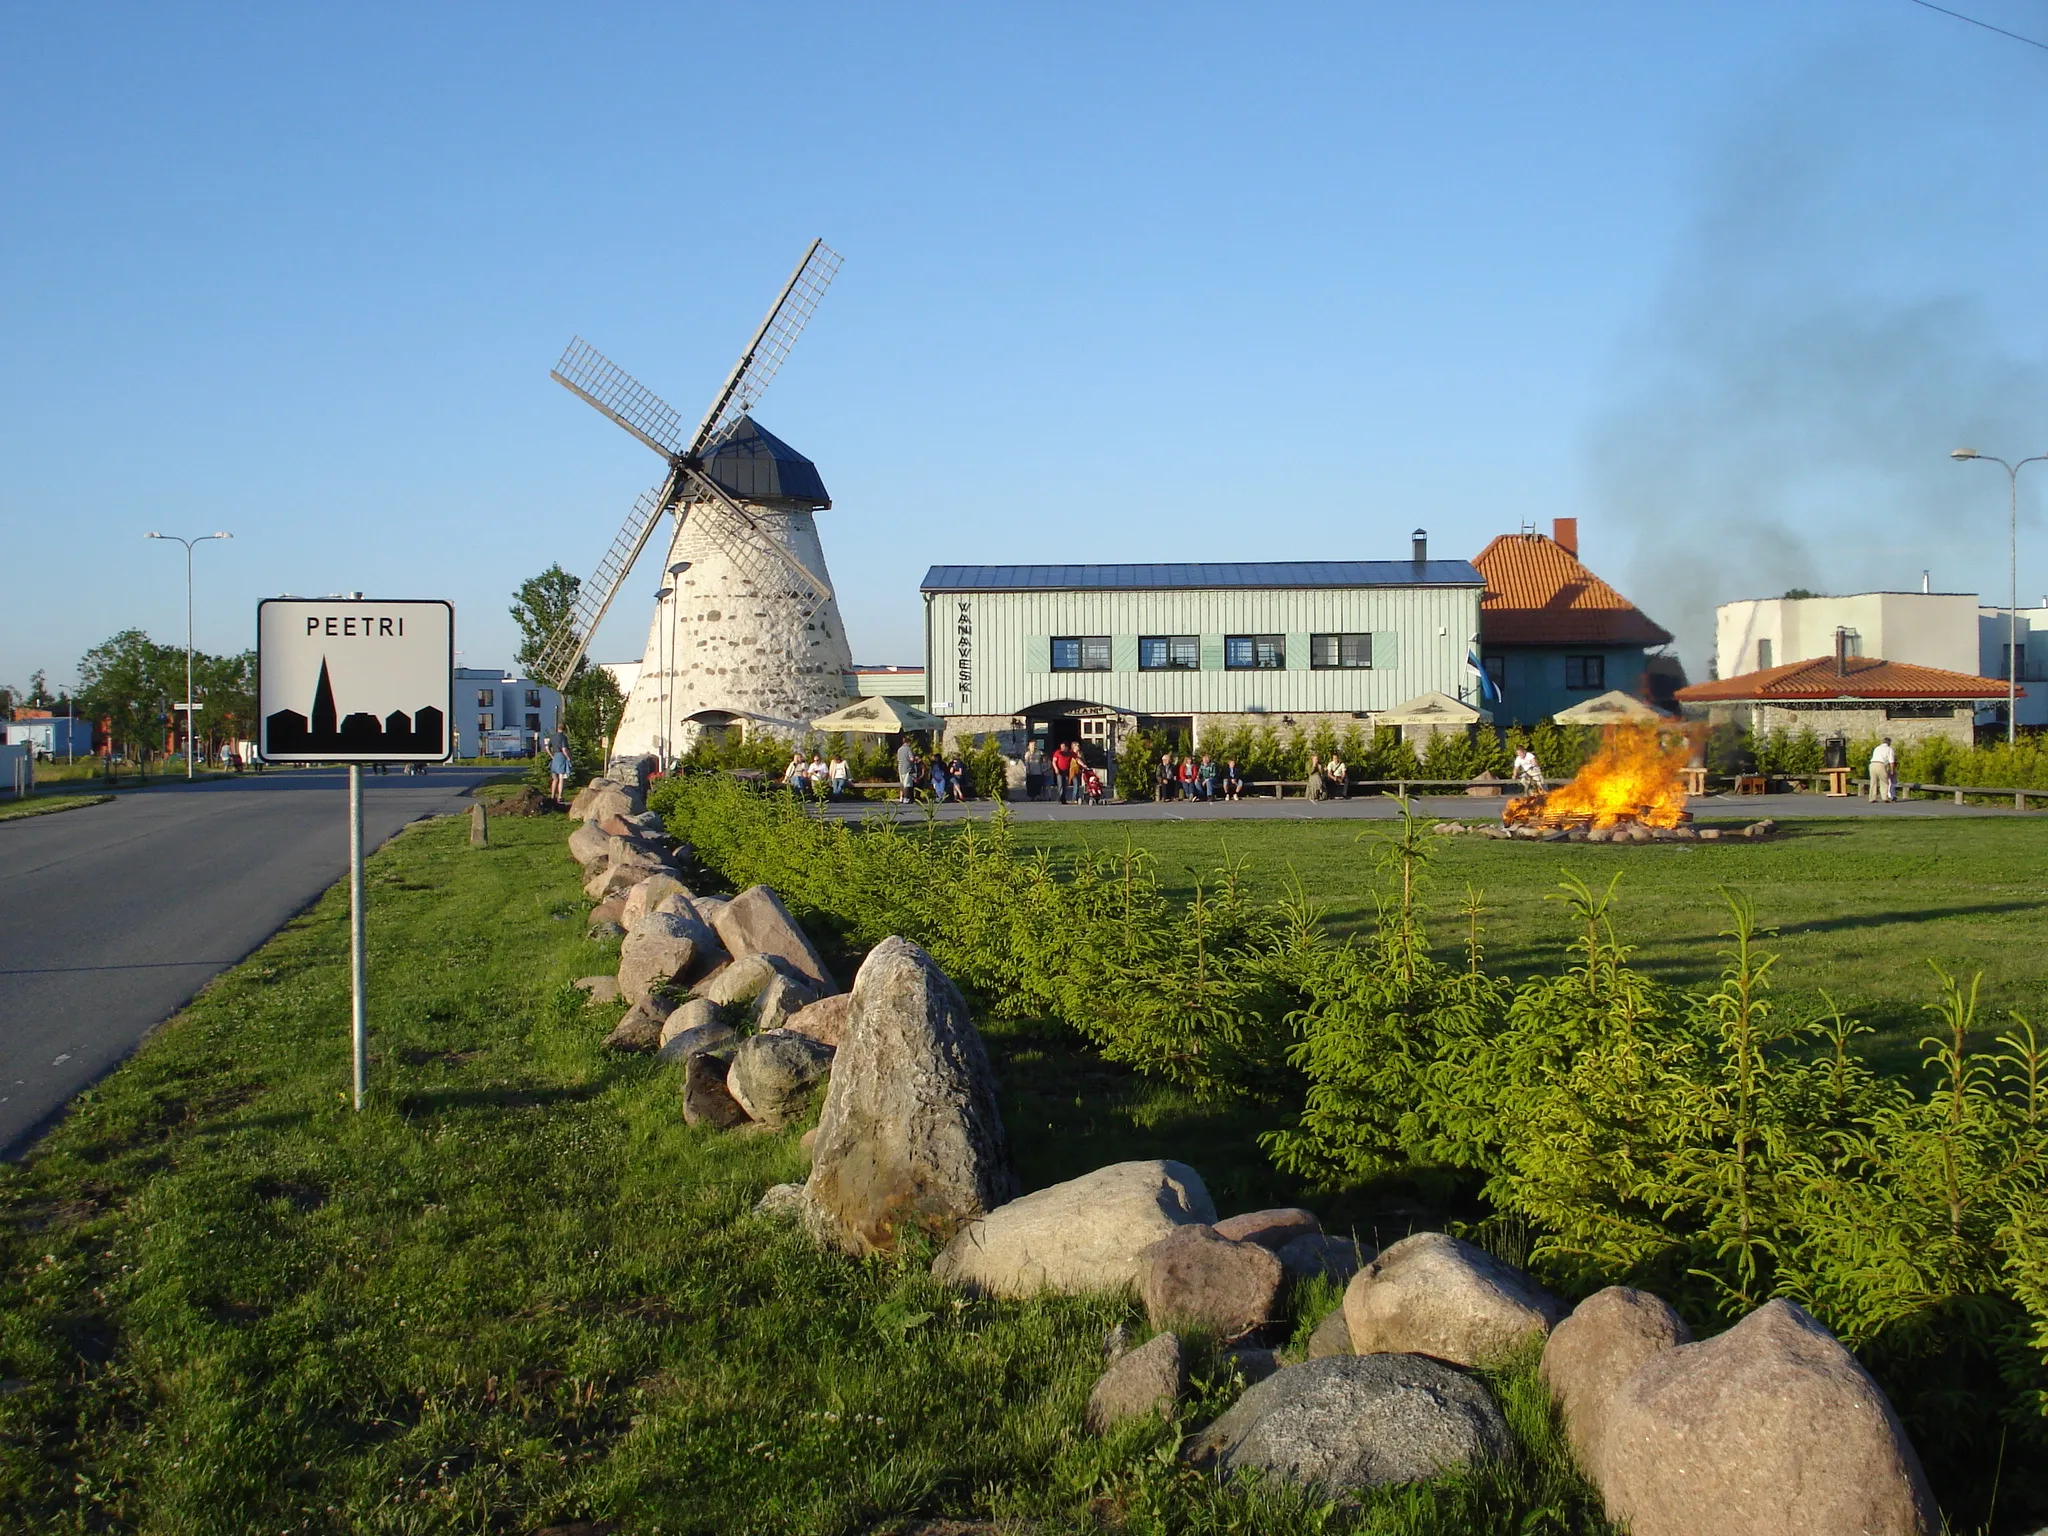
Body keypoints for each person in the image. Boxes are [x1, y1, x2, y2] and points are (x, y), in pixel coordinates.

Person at [1869, 736, 1898, 803]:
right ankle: (1885, 797)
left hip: (1872, 764)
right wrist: (1892, 770)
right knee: (1884, 781)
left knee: (1873, 782)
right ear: (1889, 743)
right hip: (1881, 764)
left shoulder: (1877, 748)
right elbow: (1891, 762)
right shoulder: (1889, 749)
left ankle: (1872, 798)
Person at [896, 737, 915, 803]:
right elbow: (912, 758)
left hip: (900, 768)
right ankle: (906, 798)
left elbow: (898, 759)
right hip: (907, 768)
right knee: (907, 784)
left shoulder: (899, 749)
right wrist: (911, 761)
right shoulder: (908, 749)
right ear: (908, 742)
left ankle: (901, 797)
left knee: (902, 783)